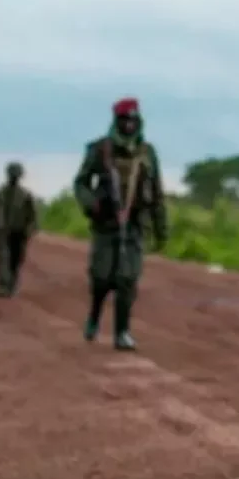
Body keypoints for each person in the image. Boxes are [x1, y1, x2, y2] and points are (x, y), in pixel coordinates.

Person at [72, 97, 168, 350]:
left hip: (135, 224)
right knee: (102, 278)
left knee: (127, 278)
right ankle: (94, 316)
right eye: (124, 120)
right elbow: (81, 182)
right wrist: (90, 203)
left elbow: (157, 193)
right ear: (116, 121)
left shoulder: (147, 154)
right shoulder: (100, 150)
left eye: (133, 121)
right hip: (106, 224)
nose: (129, 125)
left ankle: (122, 332)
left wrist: (161, 229)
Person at [0, 162, 37, 297]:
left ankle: (12, 284)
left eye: (16, 174)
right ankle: (3, 285)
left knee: (16, 259)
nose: (13, 177)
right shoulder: (0, 192)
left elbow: (32, 215)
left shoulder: (26, 195)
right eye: (12, 174)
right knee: (2, 258)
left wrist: (29, 230)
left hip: (19, 232)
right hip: (2, 230)